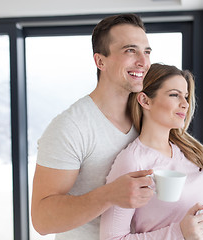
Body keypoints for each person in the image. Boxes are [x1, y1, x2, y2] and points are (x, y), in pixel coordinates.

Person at [31, 13, 155, 239]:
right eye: (130, 50)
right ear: (100, 61)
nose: (143, 61)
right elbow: (41, 220)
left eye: (146, 52)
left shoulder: (147, 117)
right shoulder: (70, 127)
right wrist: (108, 195)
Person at [100, 63, 203, 240]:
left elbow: (198, 219)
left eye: (186, 97)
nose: (185, 104)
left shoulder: (191, 153)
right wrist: (179, 232)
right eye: (174, 95)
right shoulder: (132, 162)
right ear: (145, 101)